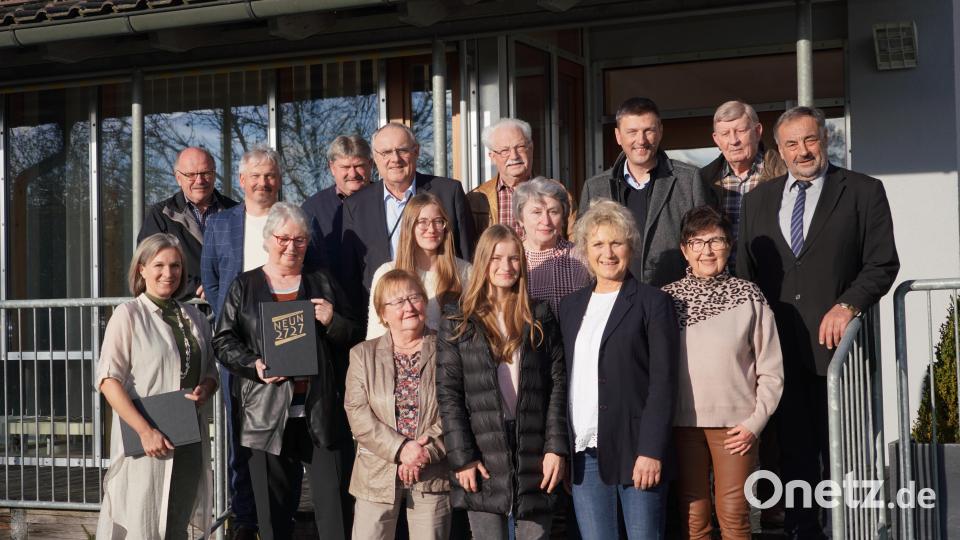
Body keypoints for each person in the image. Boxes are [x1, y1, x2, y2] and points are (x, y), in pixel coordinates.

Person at [737, 106, 900, 538]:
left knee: (844, 453)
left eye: (810, 140)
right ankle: (800, 531)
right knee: (794, 455)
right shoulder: (758, 201)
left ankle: (850, 530)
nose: (802, 151)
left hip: (839, 352)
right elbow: (745, 274)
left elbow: (882, 263)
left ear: (825, 140)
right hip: (779, 353)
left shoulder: (864, 191)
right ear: (779, 149)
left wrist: (848, 304)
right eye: (792, 143)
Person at [212, 202, 363, 540]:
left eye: (300, 240)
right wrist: (254, 365)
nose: (291, 247)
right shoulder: (244, 285)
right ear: (268, 239)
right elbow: (222, 341)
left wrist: (332, 320)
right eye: (283, 239)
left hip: (320, 411)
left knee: (336, 510)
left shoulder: (321, 281)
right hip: (265, 414)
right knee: (272, 516)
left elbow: (355, 334)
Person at [436, 224, 568, 540]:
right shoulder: (458, 319)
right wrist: (463, 457)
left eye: (513, 259)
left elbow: (557, 384)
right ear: (483, 261)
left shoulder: (540, 315)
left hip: (534, 448)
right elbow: (449, 394)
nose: (506, 267)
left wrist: (556, 448)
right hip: (481, 450)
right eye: (497, 258)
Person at [558, 200, 678, 540]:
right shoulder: (570, 306)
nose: (607, 253)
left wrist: (652, 451)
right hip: (584, 454)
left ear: (631, 247)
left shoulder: (653, 303)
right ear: (584, 250)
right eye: (597, 244)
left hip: (637, 449)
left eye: (616, 243)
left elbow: (663, 382)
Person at [661, 206, 783, 540]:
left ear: (729, 245)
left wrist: (754, 423)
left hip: (736, 427)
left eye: (715, 241)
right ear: (684, 249)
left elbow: (771, 371)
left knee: (734, 515)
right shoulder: (666, 300)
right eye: (697, 242)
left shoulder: (748, 296)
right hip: (682, 425)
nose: (707, 251)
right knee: (693, 518)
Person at [96, 233, 219, 539]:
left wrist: (206, 386)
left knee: (176, 522)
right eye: (159, 264)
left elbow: (211, 370)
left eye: (175, 265)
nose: (168, 273)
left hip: (189, 436)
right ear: (141, 269)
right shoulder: (128, 315)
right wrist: (144, 430)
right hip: (147, 440)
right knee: (143, 522)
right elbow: (108, 380)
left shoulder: (194, 316)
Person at [201, 145, 285, 538]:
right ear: (242, 181)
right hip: (237, 343)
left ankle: (279, 513)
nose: (263, 183)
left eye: (269, 176)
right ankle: (245, 517)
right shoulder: (220, 223)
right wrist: (228, 321)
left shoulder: (290, 217)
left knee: (284, 430)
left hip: (284, 335)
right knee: (239, 433)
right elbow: (212, 278)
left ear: (278, 180)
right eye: (255, 176)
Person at [345, 269, 452, 540]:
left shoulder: (449, 348)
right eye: (397, 301)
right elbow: (357, 414)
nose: (408, 307)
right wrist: (402, 448)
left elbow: (458, 409)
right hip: (375, 473)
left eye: (414, 297)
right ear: (383, 314)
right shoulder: (361, 355)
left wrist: (424, 452)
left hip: (432, 470)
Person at [579, 97, 715, 286]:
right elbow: (585, 253)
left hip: (675, 298)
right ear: (618, 136)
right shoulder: (594, 187)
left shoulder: (689, 180)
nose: (641, 140)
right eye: (632, 132)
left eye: (648, 130)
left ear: (660, 131)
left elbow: (706, 243)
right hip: (616, 300)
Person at [340, 122, 476, 303]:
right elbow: (352, 274)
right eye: (386, 153)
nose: (395, 159)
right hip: (385, 312)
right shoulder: (355, 206)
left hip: (445, 308)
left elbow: (468, 255)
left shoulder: (448, 192)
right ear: (374, 159)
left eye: (402, 150)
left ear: (416, 151)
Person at [137, 147, 238, 301]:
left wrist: (225, 287)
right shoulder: (161, 215)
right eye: (191, 175)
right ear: (178, 178)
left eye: (206, 173)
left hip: (230, 309)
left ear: (214, 174)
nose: (200, 181)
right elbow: (148, 264)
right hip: (182, 313)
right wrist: (199, 288)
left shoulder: (236, 212)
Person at [366, 192, 472, 339]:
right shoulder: (387, 273)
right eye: (422, 222)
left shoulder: (465, 272)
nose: (432, 229)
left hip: (452, 359)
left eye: (438, 221)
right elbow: (375, 336)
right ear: (410, 226)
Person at [699, 100, 786, 269]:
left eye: (740, 131)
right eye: (725, 134)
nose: (733, 141)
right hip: (722, 283)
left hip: (774, 278)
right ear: (716, 140)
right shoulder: (702, 180)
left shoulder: (784, 174)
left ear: (758, 131)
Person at [467, 118, 576, 236]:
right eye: (505, 151)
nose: (514, 156)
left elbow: (575, 241)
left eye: (520, 147)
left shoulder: (558, 193)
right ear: (492, 157)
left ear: (531, 148)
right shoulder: (476, 199)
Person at [514, 176, 590, 315]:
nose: (546, 221)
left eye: (553, 212)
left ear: (563, 218)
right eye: (536, 212)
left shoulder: (583, 258)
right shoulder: (510, 259)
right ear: (520, 219)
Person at [301, 135, 373, 273]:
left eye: (359, 166)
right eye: (345, 167)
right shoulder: (312, 210)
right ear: (332, 167)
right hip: (331, 293)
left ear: (370, 164)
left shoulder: (386, 201)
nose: (352, 174)